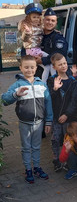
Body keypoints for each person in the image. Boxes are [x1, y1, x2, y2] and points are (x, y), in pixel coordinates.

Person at [1, 55, 53, 183]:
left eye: (32, 67)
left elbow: (48, 103)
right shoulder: (17, 84)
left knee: (36, 146)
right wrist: (15, 94)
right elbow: (5, 100)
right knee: (26, 147)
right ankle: (28, 169)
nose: (29, 70)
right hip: (24, 123)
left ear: (36, 68)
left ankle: (36, 167)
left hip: (39, 123)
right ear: (21, 68)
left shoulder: (42, 85)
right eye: (26, 67)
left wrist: (48, 121)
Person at [47, 53, 77, 172]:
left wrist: (66, 114)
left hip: (68, 117)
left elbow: (74, 101)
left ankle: (66, 161)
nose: (63, 66)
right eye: (60, 64)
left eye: (65, 63)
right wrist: (55, 89)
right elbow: (49, 98)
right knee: (55, 139)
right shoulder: (51, 80)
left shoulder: (72, 81)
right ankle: (56, 160)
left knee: (68, 139)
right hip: (55, 117)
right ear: (54, 67)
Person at [35, 8, 68, 82]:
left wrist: (42, 60)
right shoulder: (35, 35)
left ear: (56, 23)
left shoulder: (58, 38)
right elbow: (26, 48)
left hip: (52, 77)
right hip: (35, 75)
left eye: (53, 20)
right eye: (47, 20)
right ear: (43, 20)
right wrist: (31, 59)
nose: (50, 22)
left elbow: (59, 54)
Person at [18, 3, 49, 73]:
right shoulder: (27, 27)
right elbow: (24, 39)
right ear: (29, 18)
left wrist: (55, 31)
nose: (36, 19)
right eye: (34, 17)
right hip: (32, 50)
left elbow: (45, 31)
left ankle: (46, 81)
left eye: (38, 17)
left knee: (47, 67)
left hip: (38, 49)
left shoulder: (40, 26)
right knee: (51, 59)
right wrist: (27, 32)